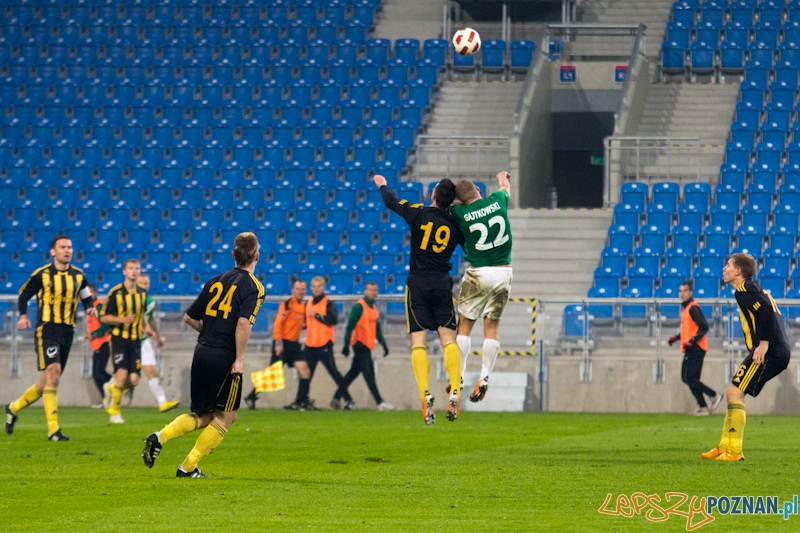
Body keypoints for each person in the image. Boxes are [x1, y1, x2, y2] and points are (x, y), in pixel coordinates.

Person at [142, 232, 265, 478]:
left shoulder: (215, 281)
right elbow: (243, 324)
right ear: (257, 256)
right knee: (227, 416)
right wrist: (239, 360)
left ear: (233, 254)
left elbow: (189, 317)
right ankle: (188, 466)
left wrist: (209, 331)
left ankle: (160, 436)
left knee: (204, 415)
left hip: (201, 353)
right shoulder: (255, 287)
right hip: (224, 357)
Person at [375, 174, 464, 424]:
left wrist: (382, 183)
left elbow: (391, 202)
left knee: (418, 343)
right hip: (442, 282)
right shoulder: (456, 224)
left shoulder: (419, 213)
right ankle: (455, 387)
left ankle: (425, 394)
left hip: (418, 283)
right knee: (448, 339)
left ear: (433, 196)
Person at [4, 235, 96, 441]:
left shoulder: (79, 276)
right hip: (47, 329)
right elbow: (23, 295)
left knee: (46, 382)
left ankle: (13, 408)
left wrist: (90, 309)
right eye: (63, 247)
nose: (67, 250)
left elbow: (86, 296)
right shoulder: (42, 275)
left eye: (70, 247)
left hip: (68, 331)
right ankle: (53, 430)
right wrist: (23, 315)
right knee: (53, 375)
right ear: (53, 251)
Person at [702, 253, 791, 461]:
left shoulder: (744, 290)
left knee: (734, 392)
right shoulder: (751, 289)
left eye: (728, 265)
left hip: (770, 352)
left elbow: (767, 310)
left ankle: (733, 451)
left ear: (738, 271)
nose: (724, 268)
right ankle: (726, 446)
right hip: (773, 351)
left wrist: (763, 344)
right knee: (733, 392)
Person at [450, 171, 514, 403]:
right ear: (478, 189)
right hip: (504, 272)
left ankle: (460, 376)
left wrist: (459, 201)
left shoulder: (460, 212)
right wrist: (501, 178)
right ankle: (485, 376)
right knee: (492, 327)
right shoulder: (497, 200)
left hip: (479, 272)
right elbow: (505, 187)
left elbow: (445, 204)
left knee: (465, 326)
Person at [100, 258, 152, 424]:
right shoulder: (115, 293)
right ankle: (115, 412)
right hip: (119, 339)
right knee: (121, 377)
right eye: (131, 268)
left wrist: (147, 328)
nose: (134, 271)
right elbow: (104, 317)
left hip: (136, 340)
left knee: (134, 380)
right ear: (124, 271)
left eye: (137, 268)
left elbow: (141, 314)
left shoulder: (142, 293)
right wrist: (122, 320)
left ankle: (110, 388)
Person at [243, 279, 308, 410]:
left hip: (294, 345)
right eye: (298, 289)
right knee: (272, 374)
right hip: (283, 343)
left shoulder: (303, 306)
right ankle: (251, 397)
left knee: (304, 369)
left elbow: (300, 324)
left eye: (303, 289)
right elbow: (278, 324)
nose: (301, 291)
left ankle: (300, 402)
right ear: (293, 290)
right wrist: (278, 343)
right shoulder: (287, 304)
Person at [332, 281, 395, 411]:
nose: (373, 292)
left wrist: (383, 343)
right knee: (369, 374)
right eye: (370, 290)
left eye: (375, 290)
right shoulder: (359, 307)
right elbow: (349, 327)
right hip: (360, 344)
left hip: (367, 344)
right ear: (365, 291)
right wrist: (346, 345)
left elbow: (376, 328)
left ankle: (337, 397)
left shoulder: (373, 308)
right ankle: (379, 402)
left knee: (353, 373)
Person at [667, 280, 723, 416]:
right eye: (680, 291)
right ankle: (703, 407)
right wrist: (676, 338)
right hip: (692, 347)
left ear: (690, 292)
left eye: (685, 291)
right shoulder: (686, 309)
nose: (682, 293)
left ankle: (714, 395)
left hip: (696, 348)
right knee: (691, 378)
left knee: (688, 377)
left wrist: (692, 341)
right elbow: (689, 330)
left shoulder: (692, 308)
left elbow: (704, 326)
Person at [136, 274, 179, 413]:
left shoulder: (150, 301)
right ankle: (111, 393)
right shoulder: (129, 299)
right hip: (127, 341)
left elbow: (151, 319)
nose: (144, 285)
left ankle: (162, 402)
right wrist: (145, 329)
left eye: (146, 283)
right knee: (128, 379)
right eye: (141, 283)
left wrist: (159, 337)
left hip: (143, 342)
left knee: (152, 372)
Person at [303, 276, 346, 410]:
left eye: (319, 286)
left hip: (324, 344)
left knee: (334, 373)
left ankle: (347, 398)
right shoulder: (308, 303)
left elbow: (333, 319)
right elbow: (306, 323)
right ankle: (304, 400)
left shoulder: (328, 303)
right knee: (306, 374)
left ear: (323, 287)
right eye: (314, 286)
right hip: (310, 344)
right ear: (311, 288)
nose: (316, 289)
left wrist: (316, 315)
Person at [85, 283, 111, 408]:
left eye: (92, 291)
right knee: (99, 372)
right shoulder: (90, 307)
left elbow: (105, 325)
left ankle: (109, 396)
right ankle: (111, 391)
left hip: (103, 342)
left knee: (97, 373)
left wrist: (93, 334)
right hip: (97, 344)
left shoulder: (99, 306)